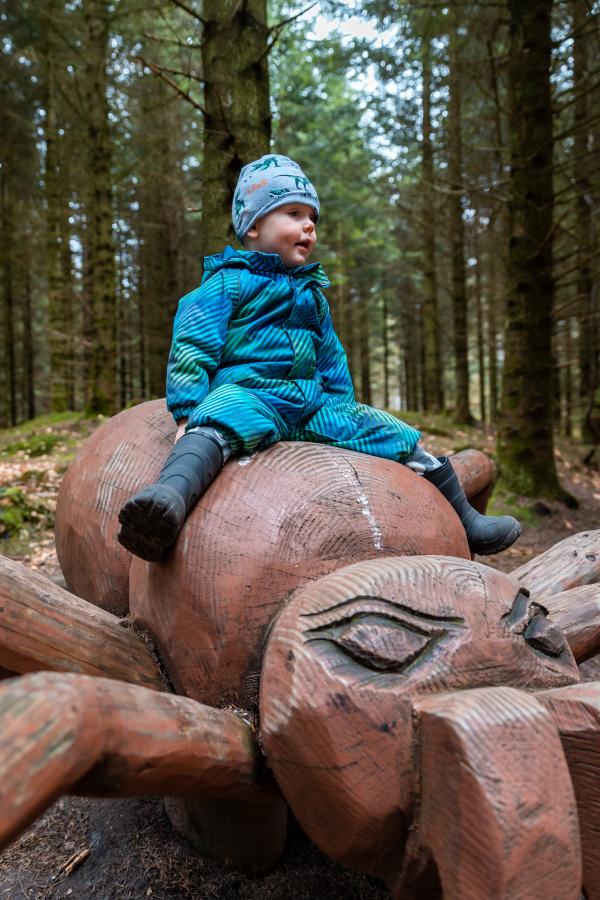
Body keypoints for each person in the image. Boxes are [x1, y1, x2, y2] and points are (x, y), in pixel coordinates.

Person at [118, 154, 521, 562]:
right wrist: (187, 414)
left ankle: (465, 520)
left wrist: (344, 410)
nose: (308, 225)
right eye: (293, 213)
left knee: (396, 434)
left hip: (311, 406)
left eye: (312, 217)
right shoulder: (228, 283)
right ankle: (167, 500)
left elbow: (331, 358)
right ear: (254, 225)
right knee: (218, 423)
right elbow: (193, 344)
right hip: (251, 393)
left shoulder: (312, 293)